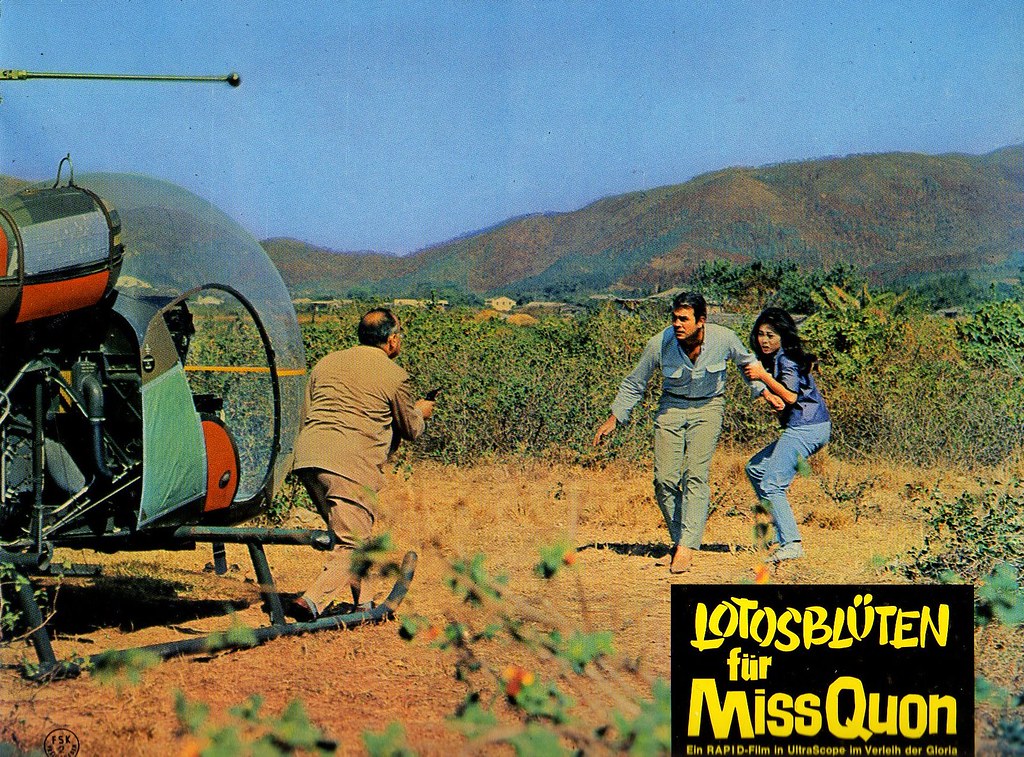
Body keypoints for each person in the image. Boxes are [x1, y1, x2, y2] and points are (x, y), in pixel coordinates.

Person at [593, 292, 782, 573]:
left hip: (708, 407)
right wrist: (615, 417)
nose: (677, 324)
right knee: (664, 479)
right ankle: (681, 539)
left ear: (701, 321)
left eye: (684, 319)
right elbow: (635, 383)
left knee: (695, 474)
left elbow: (748, 364)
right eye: (675, 318)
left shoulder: (724, 338)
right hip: (671, 407)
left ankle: (686, 547)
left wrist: (765, 392)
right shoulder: (659, 343)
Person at [287, 308, 435, 620]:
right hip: (350, 464)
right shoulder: (395, 376)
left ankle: (364, 604)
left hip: (309, 457)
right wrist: (421, 412)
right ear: (392, 340)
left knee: (353, 534)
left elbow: (307, 414)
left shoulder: (326, 363)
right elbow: (410, 429)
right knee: (353, 545)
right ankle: (311, 602)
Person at [741, 307, 831, 563]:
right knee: (756, 469)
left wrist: (763, 376)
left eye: (771, 335)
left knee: (772, 484)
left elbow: (790, 396)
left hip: (807, 428)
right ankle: (782, 533)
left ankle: (791, 544)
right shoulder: (779, 358)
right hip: (810, 426)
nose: (764, 340)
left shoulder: (787, 360)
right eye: (761, 334)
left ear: (783, 336)